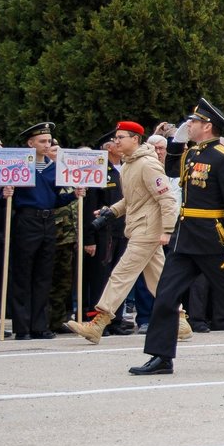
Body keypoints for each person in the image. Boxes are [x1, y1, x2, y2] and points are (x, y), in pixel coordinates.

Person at [128, 99, 224, 375]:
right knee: (166, 295)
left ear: (207, 126)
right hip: (186, 237)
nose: (190, 125)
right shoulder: (193, 153)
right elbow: (172, 172)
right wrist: (175, 144)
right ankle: (161, 356)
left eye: (194, 122)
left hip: (211, 239)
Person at [66, 122, 187, 344]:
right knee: (158, 279)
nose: (116, 141)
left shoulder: (147, 165)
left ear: (135, 139)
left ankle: (99, 322)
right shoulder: (130, 164)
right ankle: (179, 320)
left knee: (122, 274)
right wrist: (111, 212)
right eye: (116, 137)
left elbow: (167, 199)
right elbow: (131, 199)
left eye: (121, 137)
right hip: (141, 227)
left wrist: (168, 230)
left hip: (147, 230)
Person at [4, 121, 75, 339]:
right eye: (42, 141)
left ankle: (39, 325)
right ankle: (22, 327)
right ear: (30, 143)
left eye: (49, 141)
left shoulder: (54, 167)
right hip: (27, 220)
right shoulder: (19, 166)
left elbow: (54, 199)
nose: (47, 145)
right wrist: (6, 193)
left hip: (48, 220)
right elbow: (6, 197)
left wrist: (74, 195)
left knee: (44, 275)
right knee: (23, 274)